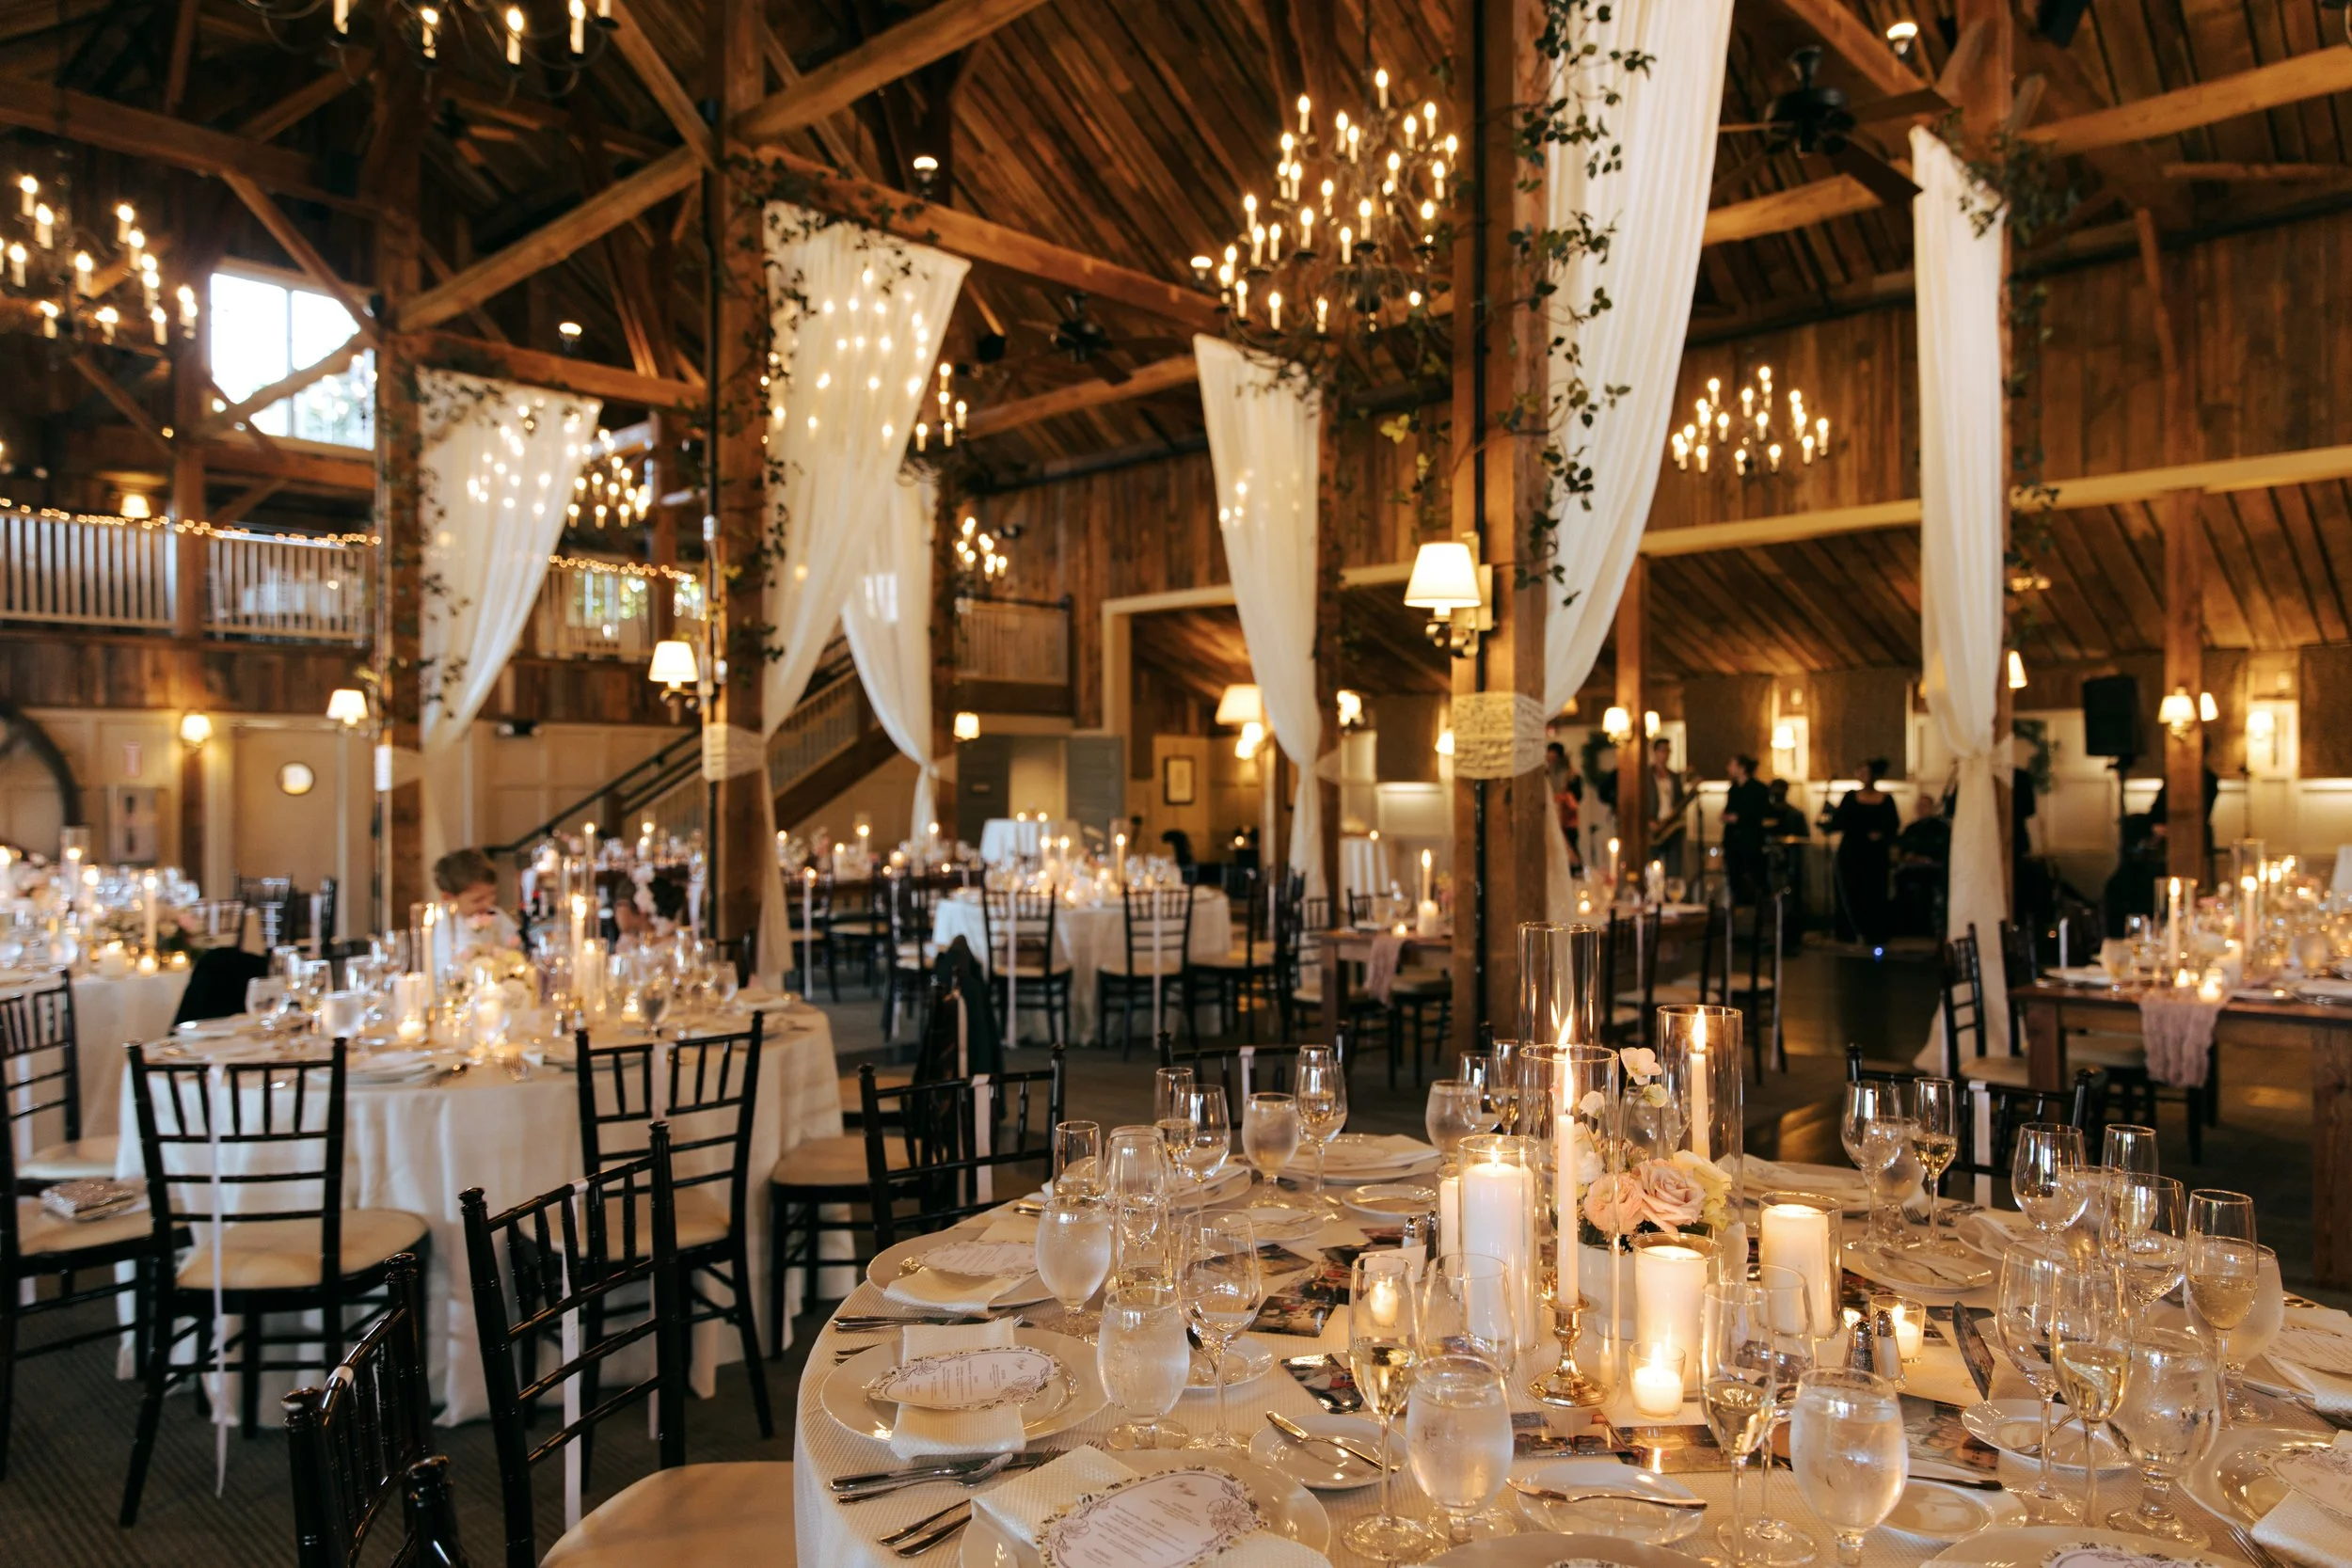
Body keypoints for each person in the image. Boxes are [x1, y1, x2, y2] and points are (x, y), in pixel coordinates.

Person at [1821, 759, 1900, 946]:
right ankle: (1849, 932)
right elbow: (1841, 820)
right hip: (1851, 851)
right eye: (1860, 772)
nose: (1862, 776)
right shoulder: (1850, 797)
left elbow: (1893, 824)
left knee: (1874, 890)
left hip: (1874, 853)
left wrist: (1880, 833)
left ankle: (1874, 932)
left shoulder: (1886, 799)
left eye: (1866, 772)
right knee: (1850, 889)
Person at [428, 847, 520, 974]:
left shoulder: (494, 913)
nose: (488, 904)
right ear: (448, 898)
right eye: (478, 900)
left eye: (492, 894)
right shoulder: (446, 926)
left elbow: (516, 941)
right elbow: (449, 970)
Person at [1721, 754, 1770, 905]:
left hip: (1750, 842)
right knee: (1734, 879)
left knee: (1753, 878)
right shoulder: (1733, 789)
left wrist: (1739, 818)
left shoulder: (1759, 789)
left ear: (1742, 768)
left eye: (1732, 765)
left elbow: (1761, 814)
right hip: (1733, 842)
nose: (1728, 768)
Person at [1645, 738, 1689, 881]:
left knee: (1674, 867)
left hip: (1671, 826)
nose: (1665, 754)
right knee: (1652, 865)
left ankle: (1673, 890)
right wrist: (1649, 820)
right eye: (1662, 750)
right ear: (1655, 752)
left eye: (1668, 751)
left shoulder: (1674, 777)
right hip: (1654, 825)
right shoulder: (1646, 776)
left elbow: (1679, 801)